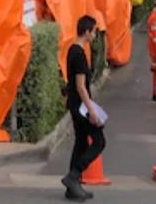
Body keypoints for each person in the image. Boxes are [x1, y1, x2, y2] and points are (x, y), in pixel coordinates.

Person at [63, 15, 105, 202]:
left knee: (81, 142)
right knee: (99, 141)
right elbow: (81, 86)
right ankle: (74, 176)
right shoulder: (79, 55)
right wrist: (92, 111)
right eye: (94, 31)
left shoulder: (72, 49)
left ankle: (73, 187)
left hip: (74, 104)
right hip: (81, 106)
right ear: (87, 32)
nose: (95, 35)